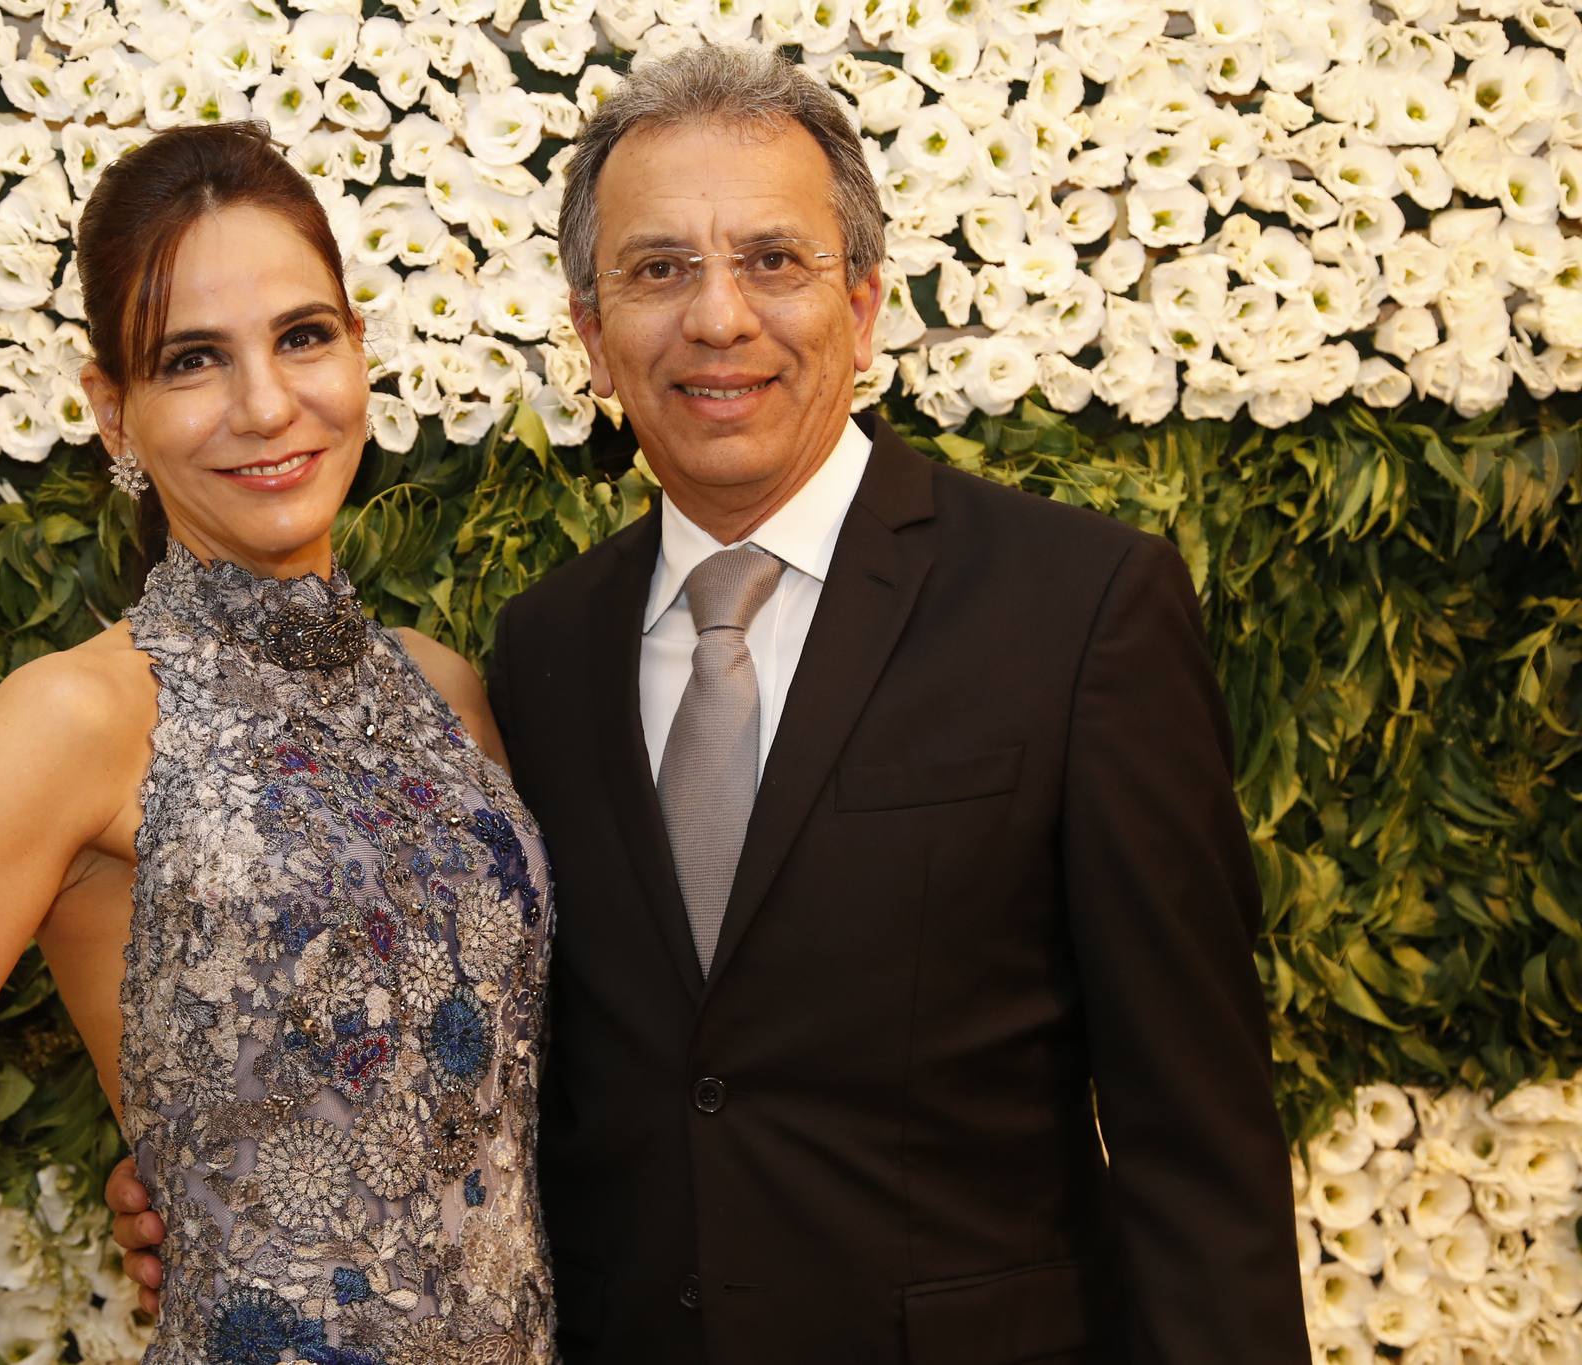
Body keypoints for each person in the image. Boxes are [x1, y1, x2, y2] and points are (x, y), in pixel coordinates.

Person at [109, 47, 1311, 1364]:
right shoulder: (543, 651)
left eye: (773, 261)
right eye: (659, 269)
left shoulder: (1076, 611)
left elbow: (1197, 1145)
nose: (718, 318)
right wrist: (242, 1159)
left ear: (863, 307)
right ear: (593, 338)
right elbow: (513, 1057)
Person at [0, 122, 557, 1365]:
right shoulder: (77, 720)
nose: (265, 404)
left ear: (359, 351)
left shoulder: (446, 688)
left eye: (302, 336)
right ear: (112, 412)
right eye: (190, 360)